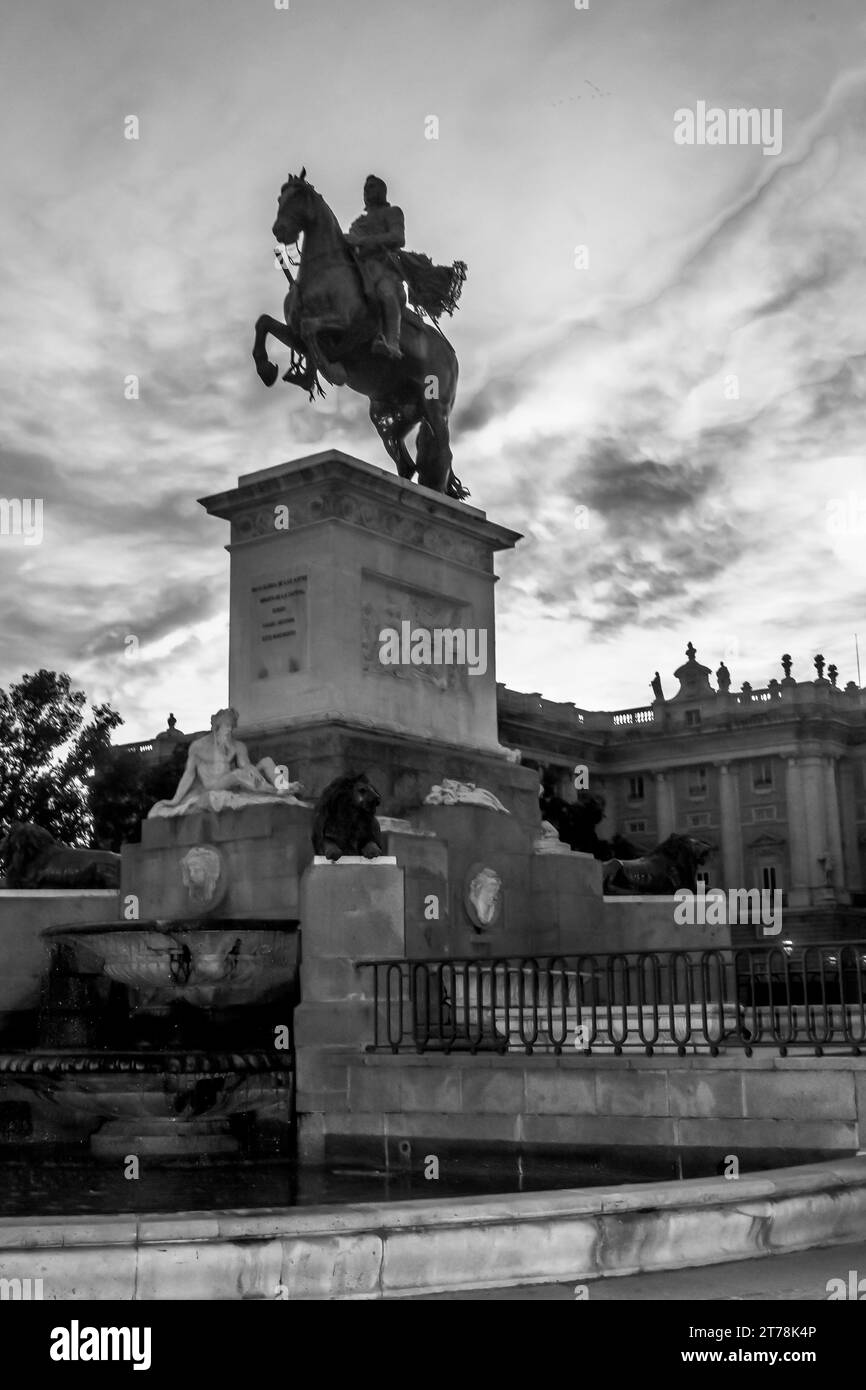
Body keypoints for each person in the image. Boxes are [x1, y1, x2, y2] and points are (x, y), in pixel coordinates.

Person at [149, 708, 303, 816]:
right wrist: (175, 800)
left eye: (231, 727)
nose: (230, 730)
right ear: (217, 727)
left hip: (234, 782)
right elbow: (189, 775)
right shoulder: (199, 746)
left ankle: (283, 786)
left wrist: (253, 773)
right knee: (236, 774)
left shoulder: (237, 745)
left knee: (266, 761)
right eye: (226, 726)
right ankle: (275, 791)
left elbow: (245, 765)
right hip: (213, 786)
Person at [345, 175, 406, 359]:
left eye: (372, 187)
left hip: (384, 269)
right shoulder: (358, 223)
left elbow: (398, 238)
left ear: (382, 191)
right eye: (366, 188)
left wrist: (362, 241)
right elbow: (350, 242)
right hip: (360, 269)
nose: (368, 191)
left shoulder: (393, 212)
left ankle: (392, 343)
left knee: (386, 293)